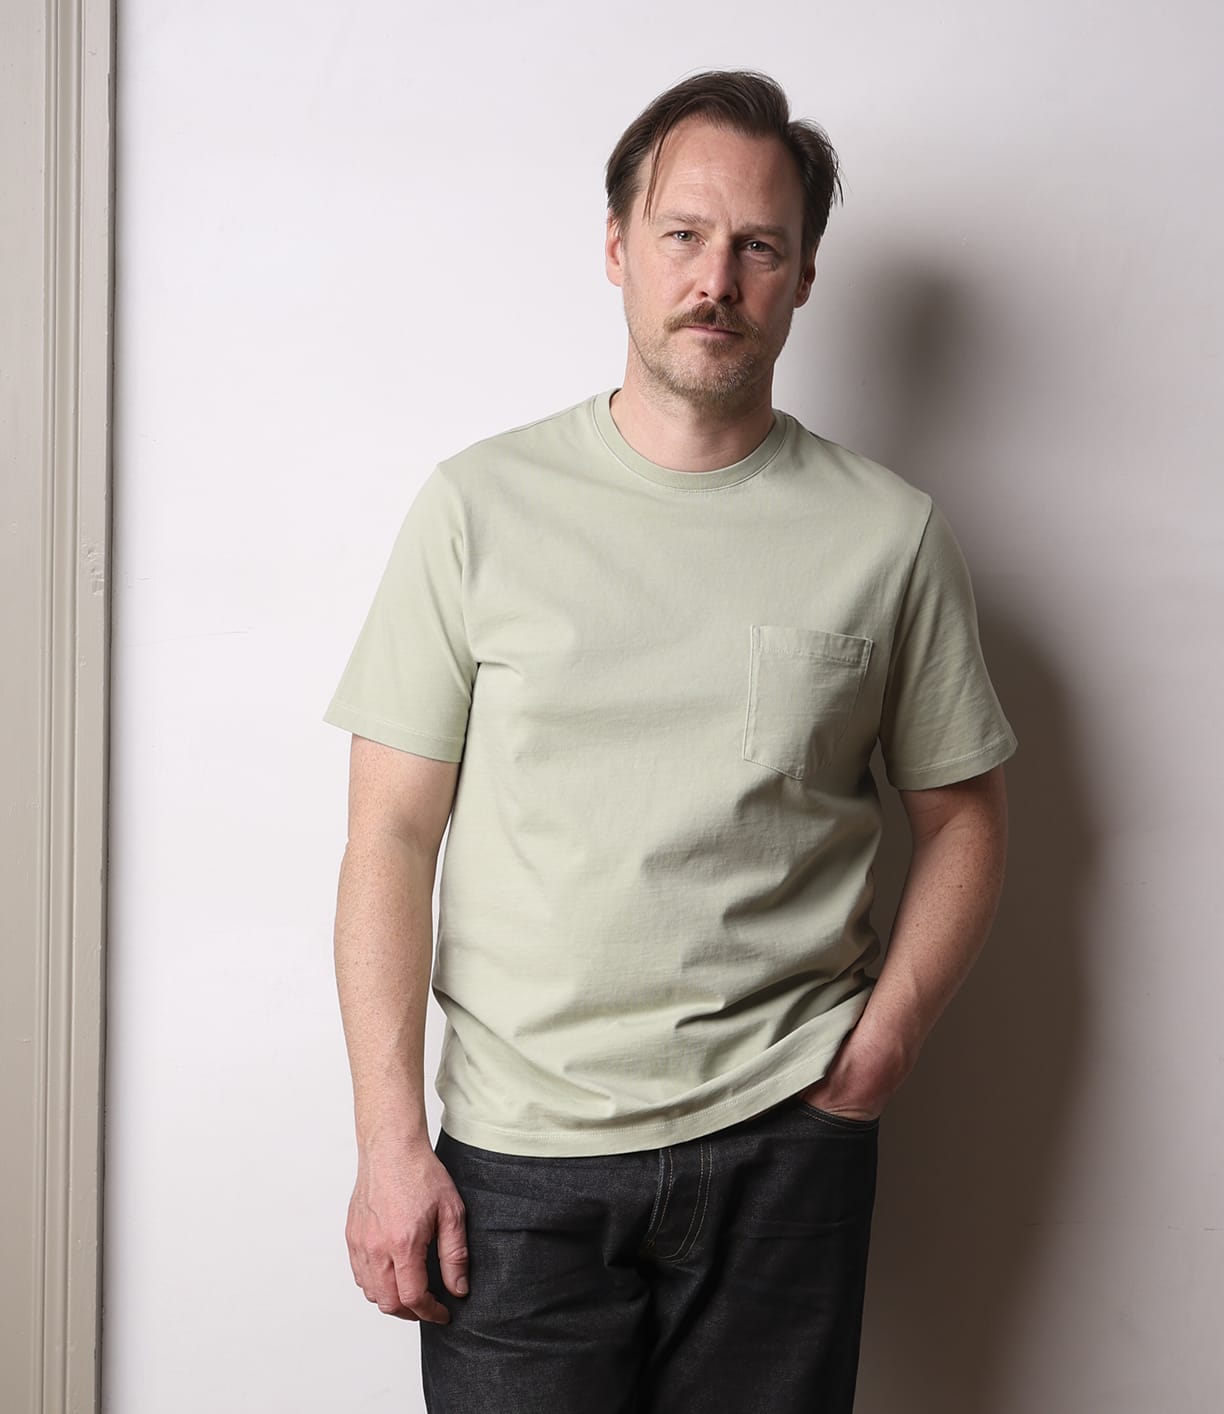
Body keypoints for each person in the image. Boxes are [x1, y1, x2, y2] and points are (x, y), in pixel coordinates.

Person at [324, 68, 1016, 1414]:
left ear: (804, 276)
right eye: (684, 234)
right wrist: (389, 1143)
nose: (717, 279)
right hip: (519, 1166)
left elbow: (967, 817)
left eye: (758, 245)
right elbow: (390, 837)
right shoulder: (478, 508)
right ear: (616, 247)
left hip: (785, 1144)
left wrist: (883, 1046)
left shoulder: (890, 534)